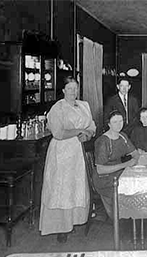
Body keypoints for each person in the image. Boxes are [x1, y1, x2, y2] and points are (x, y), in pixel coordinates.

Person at [39, 76, 96, 243]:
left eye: (75, 88)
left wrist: (88, 134)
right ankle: (60, 227)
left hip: (79, 151)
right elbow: (58, 133)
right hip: (62, 153)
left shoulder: (84, 105)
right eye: (70, 88)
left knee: (76, 187)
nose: (73, 91)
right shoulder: (57, 108)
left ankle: (75, 220)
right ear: (63, 90)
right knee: (61, 189)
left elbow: (92, 125)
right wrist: (80, 130)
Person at [93, 110, 140, 219]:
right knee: (129, 189)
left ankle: (135, 219)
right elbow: (100, 169)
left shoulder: (122, 136)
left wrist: (134, 159)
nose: (119, 124)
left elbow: (135, 154)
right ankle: (122, 221)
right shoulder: (103, 141)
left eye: (120, 121)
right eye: (115, 122)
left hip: (119, 174)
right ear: (109, 124)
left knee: (135, 183)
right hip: (104, 179)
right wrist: (126, 164)